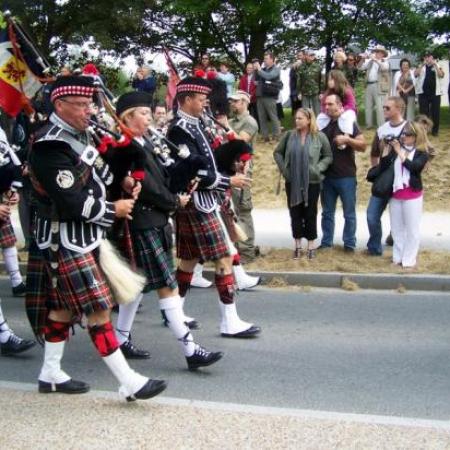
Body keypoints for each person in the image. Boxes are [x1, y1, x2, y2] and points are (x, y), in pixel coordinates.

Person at [26, 75, 166, 400]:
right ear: (59, 105)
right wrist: (112, 209)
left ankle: (50, 373)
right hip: (64, 238)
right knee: (99, 309)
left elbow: (100, 176)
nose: (89, 110)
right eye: (81, 105)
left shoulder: (80, 133)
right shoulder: (49, 145)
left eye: (89, 103)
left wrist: (126, 183)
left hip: (84, 236)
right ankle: (129, 381)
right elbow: (71, 200)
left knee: (62, 309)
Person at [112, 91, 223, 369]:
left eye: (149, 112)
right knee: (167, 286)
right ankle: (190, 349)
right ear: (127, 117)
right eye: (142, 112)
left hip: (157, 221)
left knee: (135, 285)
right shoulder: (126, 147)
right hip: (142, 222)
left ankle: (120, 338)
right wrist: (175, 201)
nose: (149, 116)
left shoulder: (145, 141)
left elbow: (164, 175)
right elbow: (148, 187)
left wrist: (187, 176)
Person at [167, 76, 261, 338]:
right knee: (222, 258)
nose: (205, 102)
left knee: (188, 261)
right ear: (186, 100)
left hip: (205, 201)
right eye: (200, 98)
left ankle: (173, 313)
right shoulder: (178, 131)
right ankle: (229, 322)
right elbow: (194, 170)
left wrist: (233, 162)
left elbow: (211, 160)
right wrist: (229, 180)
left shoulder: (199, 125)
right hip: (195, 202)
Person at [274, 108, 332, 259]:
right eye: (296, 118)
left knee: (310, 213)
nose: (297, 121)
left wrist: (317, 169)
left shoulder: (319, 137)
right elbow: (277, 152)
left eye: (300, 118)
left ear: (308, 120)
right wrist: (285, 170)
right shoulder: (289, 135)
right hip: (292, 181)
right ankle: (297, 245)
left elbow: (328, 156)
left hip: (311, 181)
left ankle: (311, 245)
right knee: (295, 213)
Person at [319, 94, 367, 251]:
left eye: (330, 104)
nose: (326, 107)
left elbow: (363, 145)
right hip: (326, 176)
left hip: (346, 175)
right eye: (325, 104)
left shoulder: (348, 122)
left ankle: (349, 244)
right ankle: (326, 243)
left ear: (339, 106)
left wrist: (348, 140)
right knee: (327, 213)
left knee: (349, 213)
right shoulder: (322, 123)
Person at [378, 122, 428, 268]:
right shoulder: (397, 149)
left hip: (412, 194)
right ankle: (397, 257)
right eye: (403, 134)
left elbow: (414, 167)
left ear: (416, 136)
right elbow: (384, 165)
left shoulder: (421, 153)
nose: (404, 136)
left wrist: (400, 152)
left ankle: (409, 260)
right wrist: (388, 148)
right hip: (396, 194)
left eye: (408, 134)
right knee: (396, 229)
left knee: (412, 229)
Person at [366, 96, 407, 256]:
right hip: (384, 179)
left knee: (399, 218)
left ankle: (398, 246)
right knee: (372, 215)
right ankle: (375, 247)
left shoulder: (409, 128)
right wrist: (377, 171)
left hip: (402, 181)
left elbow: (424, 151)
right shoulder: (382, 129)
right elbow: (374, 153)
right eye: (383, 107)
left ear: (399, 109)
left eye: (388, 108)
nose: (384, 110)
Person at [358, 45, 391, 128]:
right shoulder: (370, 62)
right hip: (369, 85)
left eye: (378, 52)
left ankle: (381, 125)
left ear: (383, 54)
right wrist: (362, 59)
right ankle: (368, 125)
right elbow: (360, 68)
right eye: (376, 52)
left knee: (380, 106)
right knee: (368, 106)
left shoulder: (384, 61)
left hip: (378, 85)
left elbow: (384, 68)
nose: (376, 53)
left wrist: (375, 60)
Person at [316, 70, 357, 136]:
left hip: (346, 111)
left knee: (347, 117)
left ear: (338, 80)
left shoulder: (347, 91)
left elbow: (351, 105)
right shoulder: (328, 92)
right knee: (321, 117)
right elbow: (323, 105)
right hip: (331, 112)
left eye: (331, 80)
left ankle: (346, 137)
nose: (329, 82)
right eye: (328, 80)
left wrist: (341, 110)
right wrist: (327, 112)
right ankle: (316, 136)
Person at [415, 51, 445, 136]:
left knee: (435, 112)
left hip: (435, 93)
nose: (428, 59)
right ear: (424, 58)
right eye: (426, 57)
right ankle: (424, 130)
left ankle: (435, 131)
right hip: (423, 93)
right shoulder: (421, 66)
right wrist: (422, 65)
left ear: (433, 58)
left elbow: (441, 75)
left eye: (430, 57)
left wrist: (435, 65)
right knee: (423, 113)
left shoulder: (438, 66)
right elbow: (415, 74)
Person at [254, 52, 282, 143]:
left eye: (266, 58)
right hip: (260, 95)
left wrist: (259, 69)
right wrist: (256, 70)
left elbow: (268, 76)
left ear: (272, 59)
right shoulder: (263, 69)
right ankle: (265, 136)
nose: (264, 60)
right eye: (264, 58)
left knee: (273, 116)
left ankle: (276, 136)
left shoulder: (276, 69)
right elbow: (257, 79)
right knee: (262, 117)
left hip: (270, 96)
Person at [296, 49, 322, 116]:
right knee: (305, 112)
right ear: (306, 56)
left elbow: (321, 80)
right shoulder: (301, 67)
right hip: (305, 92)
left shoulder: (318, 66)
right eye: (310, 55)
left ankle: (318, 126)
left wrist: (322, 92)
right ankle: (307, 125)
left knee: (317, 111)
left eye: (313, 55)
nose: (312, 56)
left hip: (315, 92)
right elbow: (299, 80)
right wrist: (299, 92)